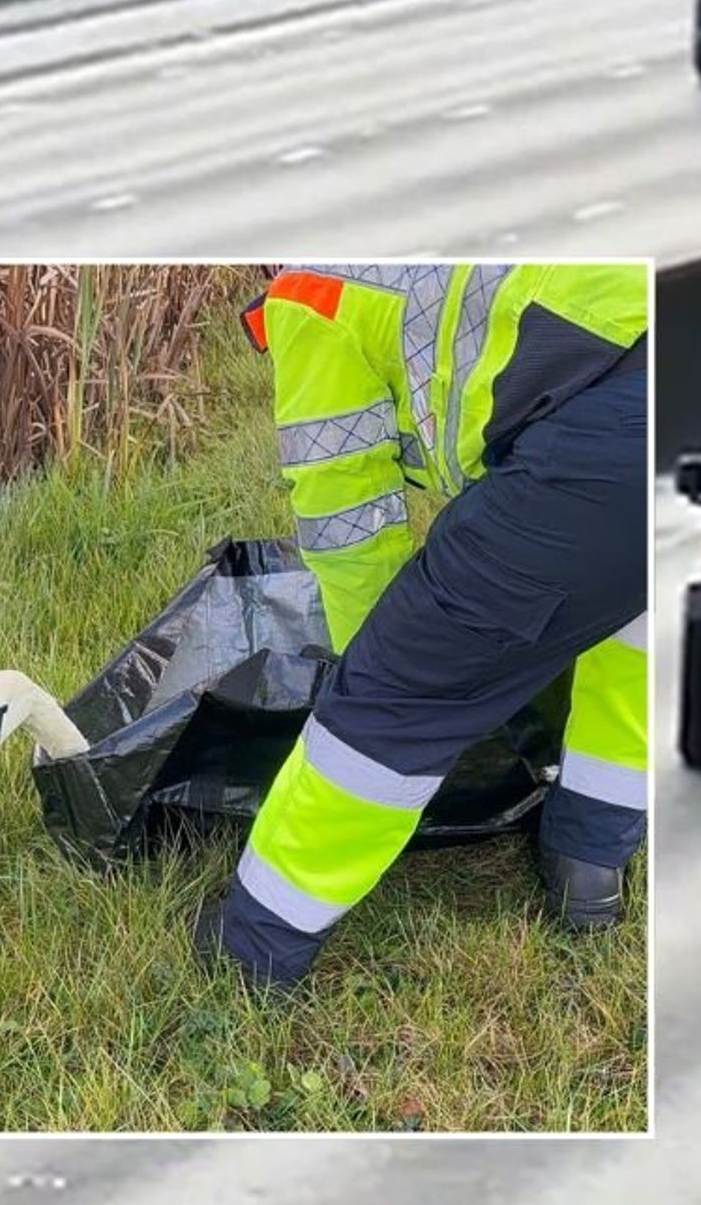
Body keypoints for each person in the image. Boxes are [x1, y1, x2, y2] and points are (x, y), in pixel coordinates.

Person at [195, 263, 649, 986]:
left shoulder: (313, 292)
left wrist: (370, 667)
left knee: (398, 694)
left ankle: (250, 951)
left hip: (610, 440)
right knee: (633, 625)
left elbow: (348, 529)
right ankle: (589, 865)